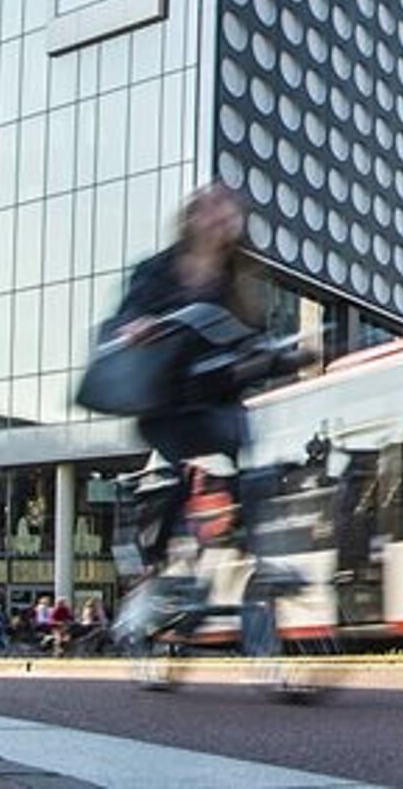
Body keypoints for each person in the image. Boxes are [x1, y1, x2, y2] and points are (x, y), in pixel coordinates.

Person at [113, 183, 265, 572]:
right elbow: (127, 318)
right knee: (187, 462)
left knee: (252, 452)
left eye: (228, 215)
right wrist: (136, 328)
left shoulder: (236, 283)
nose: (221, 221)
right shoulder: (157, 271)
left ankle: (250, 548)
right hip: (166, 402)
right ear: (192, 219)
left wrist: (285, 356)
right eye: (212, 211)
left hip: (215, 400)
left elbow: (251, 342)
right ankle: (156, 561)